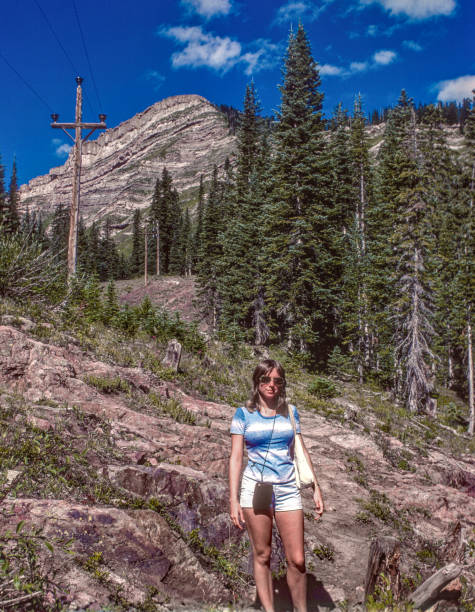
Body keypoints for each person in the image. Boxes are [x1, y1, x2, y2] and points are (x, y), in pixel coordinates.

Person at [229, 359, 324, 612]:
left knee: (298, 560)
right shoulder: (243, 414)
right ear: (257, 382)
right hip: (255, 490)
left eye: (277, 381)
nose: (271, 385)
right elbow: (236, 457)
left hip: (287, 489)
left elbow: (300, 450)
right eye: (266, 379)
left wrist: (316, 487)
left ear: (282, 384)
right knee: (263, 555)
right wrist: (233, 500)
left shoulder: (290, 412)